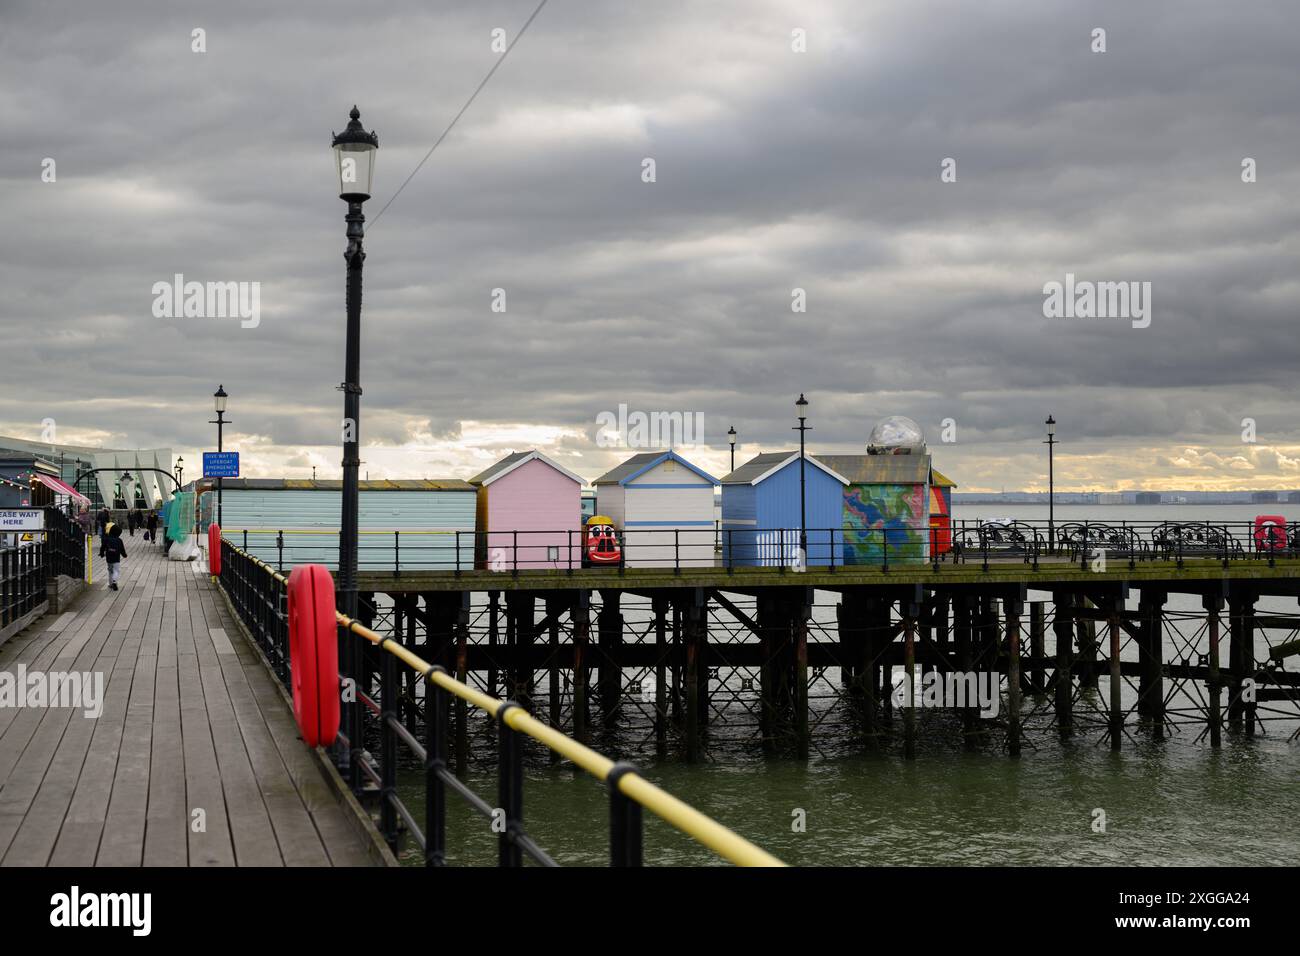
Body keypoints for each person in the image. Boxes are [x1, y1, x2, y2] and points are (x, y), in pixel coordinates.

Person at [99, 522, 127, 591]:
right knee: (116, 570)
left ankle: (110, 583)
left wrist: (102, 554)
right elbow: (122, 549)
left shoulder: (107, 539)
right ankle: (114, 581)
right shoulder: (119, 540)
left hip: (109, 557)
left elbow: (102, 547)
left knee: (110, 570)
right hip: (116, 557)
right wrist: (124, 555)